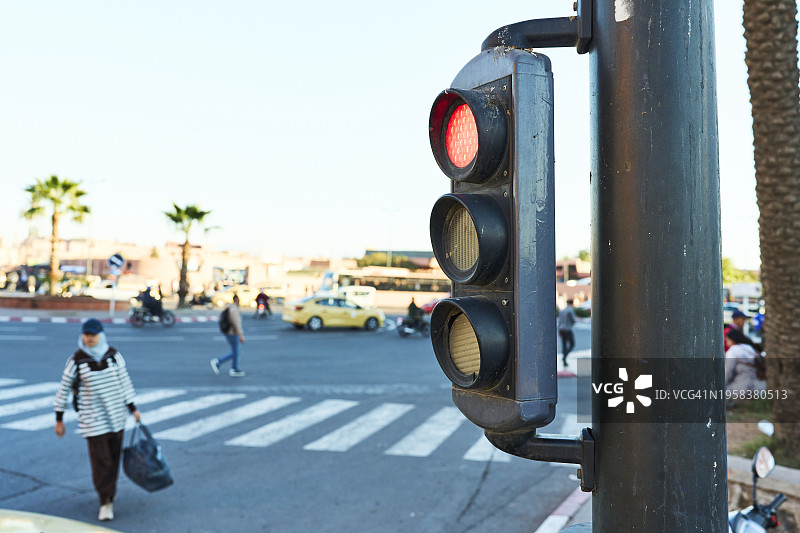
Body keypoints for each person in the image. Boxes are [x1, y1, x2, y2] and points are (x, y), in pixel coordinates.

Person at [53, 318, 141, 522]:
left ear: (101, 335)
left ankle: (109, 491)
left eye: (93, 334)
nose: (89, 338)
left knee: (113, 459)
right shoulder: (77, 360)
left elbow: (124, 382)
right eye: (86, 334)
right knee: (101, 461)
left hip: (116, 418)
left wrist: (133, 409)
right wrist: (59, 419)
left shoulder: (113, 356)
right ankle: (105, 501)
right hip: (93, 421)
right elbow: (64, 389)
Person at [211, 294, 246, 377]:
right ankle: (219, 362)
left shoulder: (229, 307)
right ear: (237, 300)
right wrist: (240, 335)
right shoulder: (234, 309)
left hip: (229, 332)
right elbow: (236, 323)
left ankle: (233, 368)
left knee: (236, 351)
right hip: (232, 333)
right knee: (236, 352)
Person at [725, 328, 766, 393]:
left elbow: (727, 373)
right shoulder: (751, 348)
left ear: (732, 340)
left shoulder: (734, 350)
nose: (727, 344)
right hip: (760, 388)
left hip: (743, 389)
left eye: (727, 341)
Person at [558, 299, 577, 366]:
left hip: (562, 329)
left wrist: (559, 331)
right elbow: (573, 321)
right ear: (572, 303)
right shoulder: (570, 311)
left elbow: (559, 322)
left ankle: (564, 360)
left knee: (564, 345)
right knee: (572, 344)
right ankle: (564, 357)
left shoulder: (562, 311)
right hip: (568, 329)